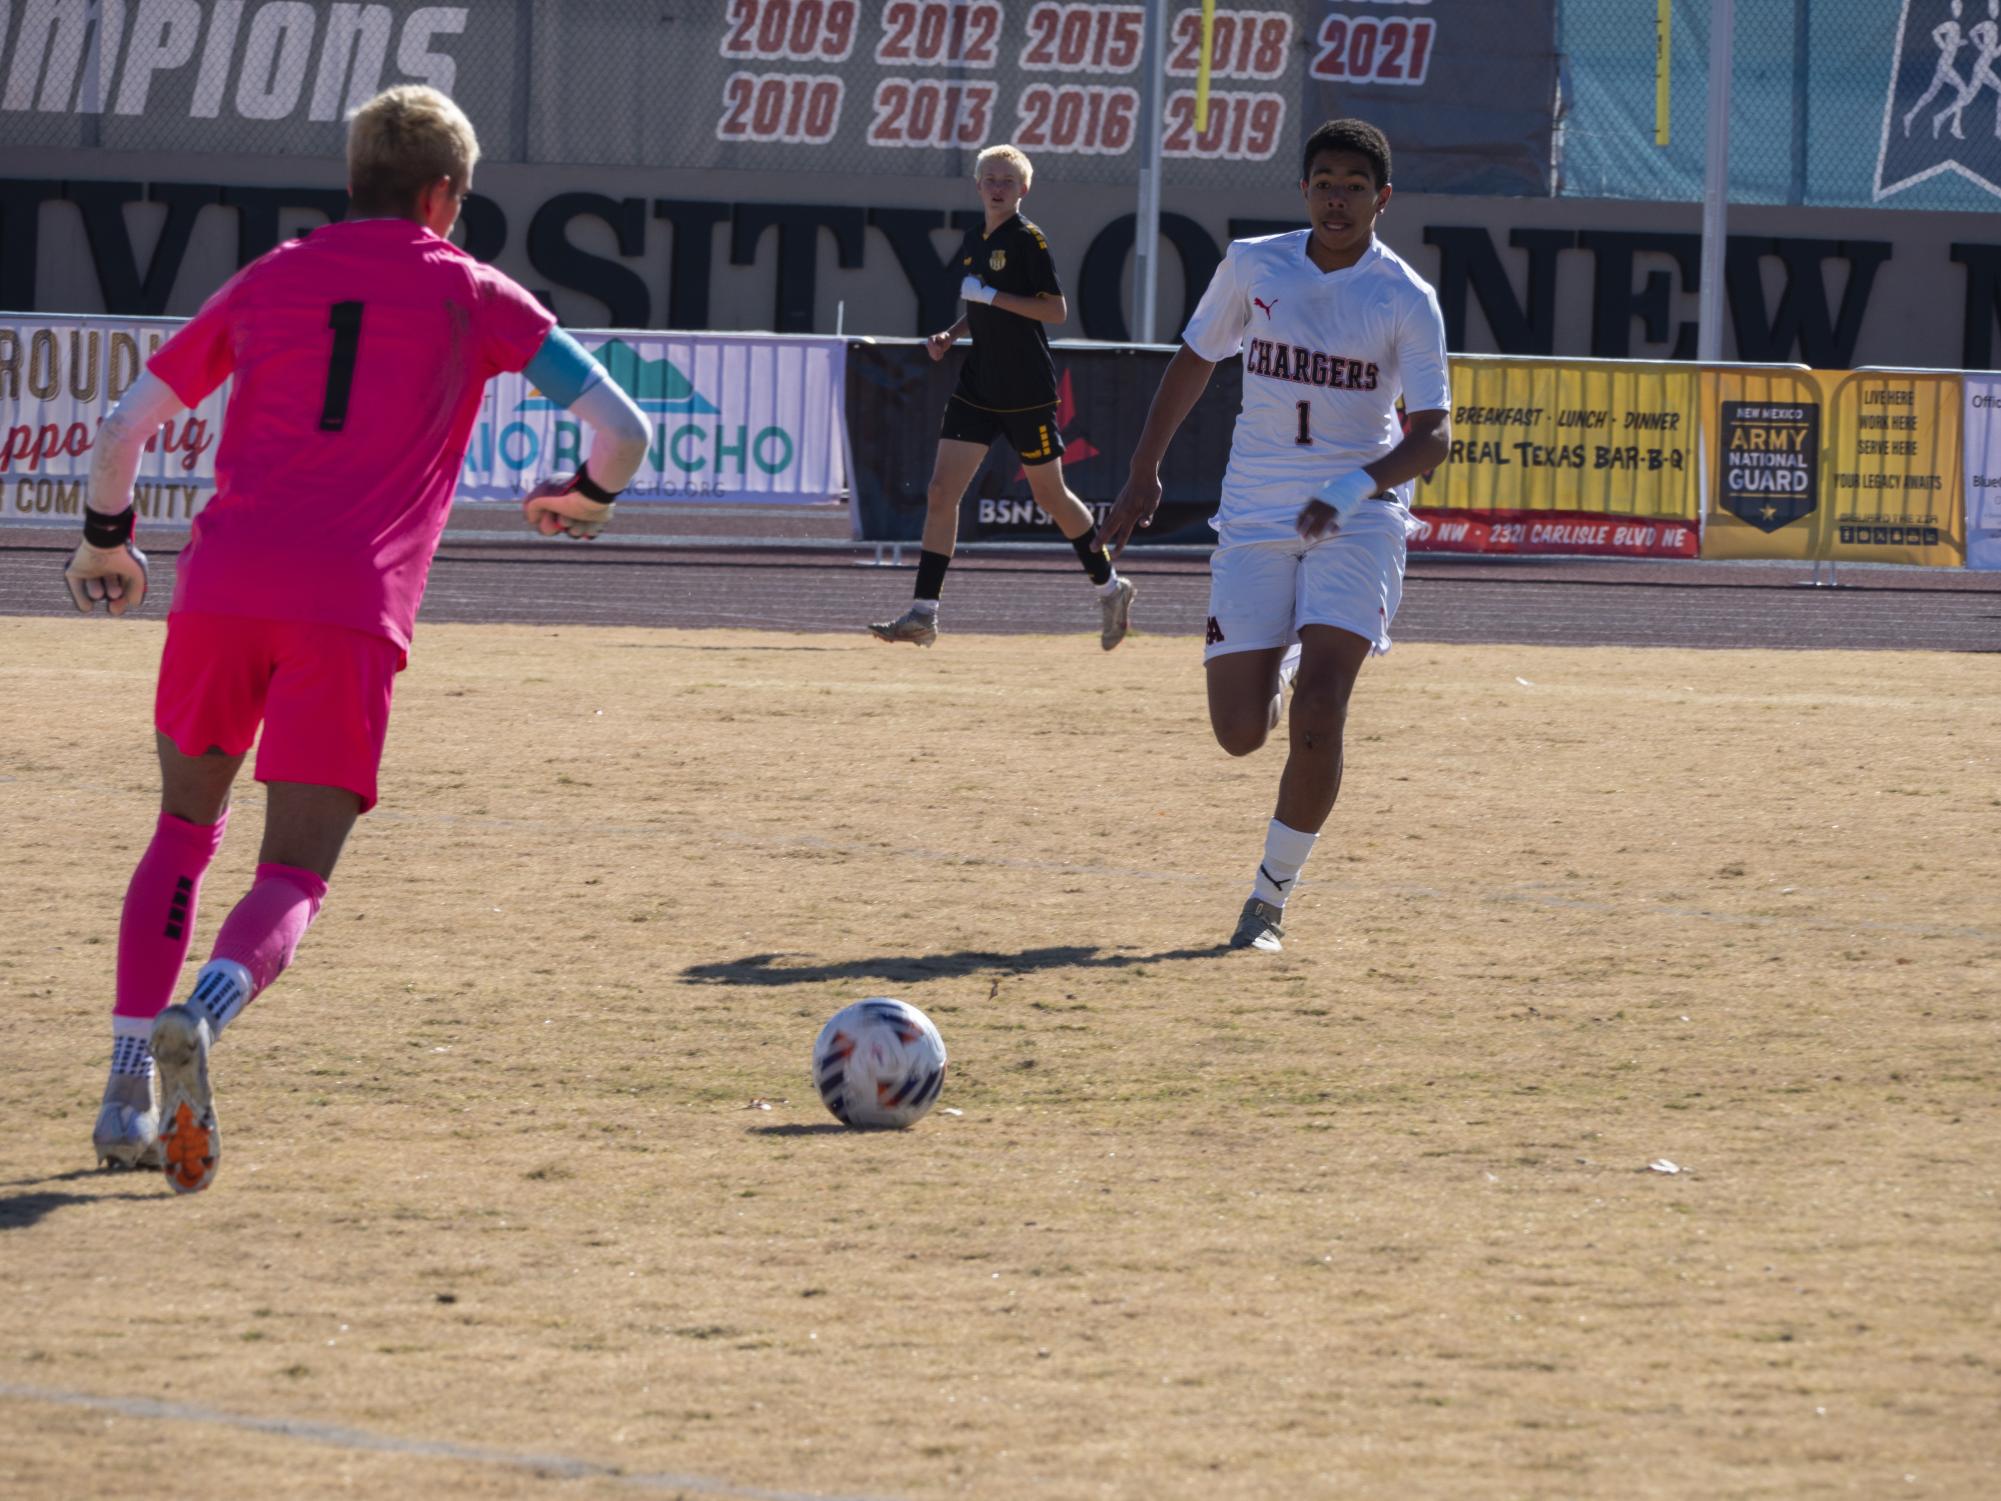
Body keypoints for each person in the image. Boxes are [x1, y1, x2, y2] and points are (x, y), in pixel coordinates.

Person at [65, 84, 650, 1193]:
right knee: (293, 869)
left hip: (223, 589)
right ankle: (208, 1007)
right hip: (349, 610)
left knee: (181, 831)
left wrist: (108, 543)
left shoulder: (271, 277)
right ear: (442, 194)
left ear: (353, 183)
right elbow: (624, 429)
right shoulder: (474, 292)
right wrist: (583, 500)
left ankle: (126, 1085)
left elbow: (121, 430)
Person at [1095, 118, 1451, 953]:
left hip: (1355, 518)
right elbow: (1193, 359)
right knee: (1239, 734)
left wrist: (1355, 483)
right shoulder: (1253, 263)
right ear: (1303, 189)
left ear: (1381, 199)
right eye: (1323, 180)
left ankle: (1268, 899)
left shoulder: (1404, 296)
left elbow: (1432, 436)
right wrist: (1143, 470)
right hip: (1254, 516)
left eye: (1354, 185)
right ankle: (1282, 662)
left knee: (1323, 707)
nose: (1337, 196)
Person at [869, 143, 1136, 651]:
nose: (996, 187)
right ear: (976, 185)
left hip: (1025, 389)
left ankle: (1110, 587)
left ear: (1023, 189)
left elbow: (1055, 310)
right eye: (989, 179)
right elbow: (982, 300)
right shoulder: (975, 237)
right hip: (978, 384)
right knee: (941, 493)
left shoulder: (1029, 240)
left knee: (1050, 497)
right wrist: (951, 334)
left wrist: (991, 297)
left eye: (1006, 181)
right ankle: (924, 613)